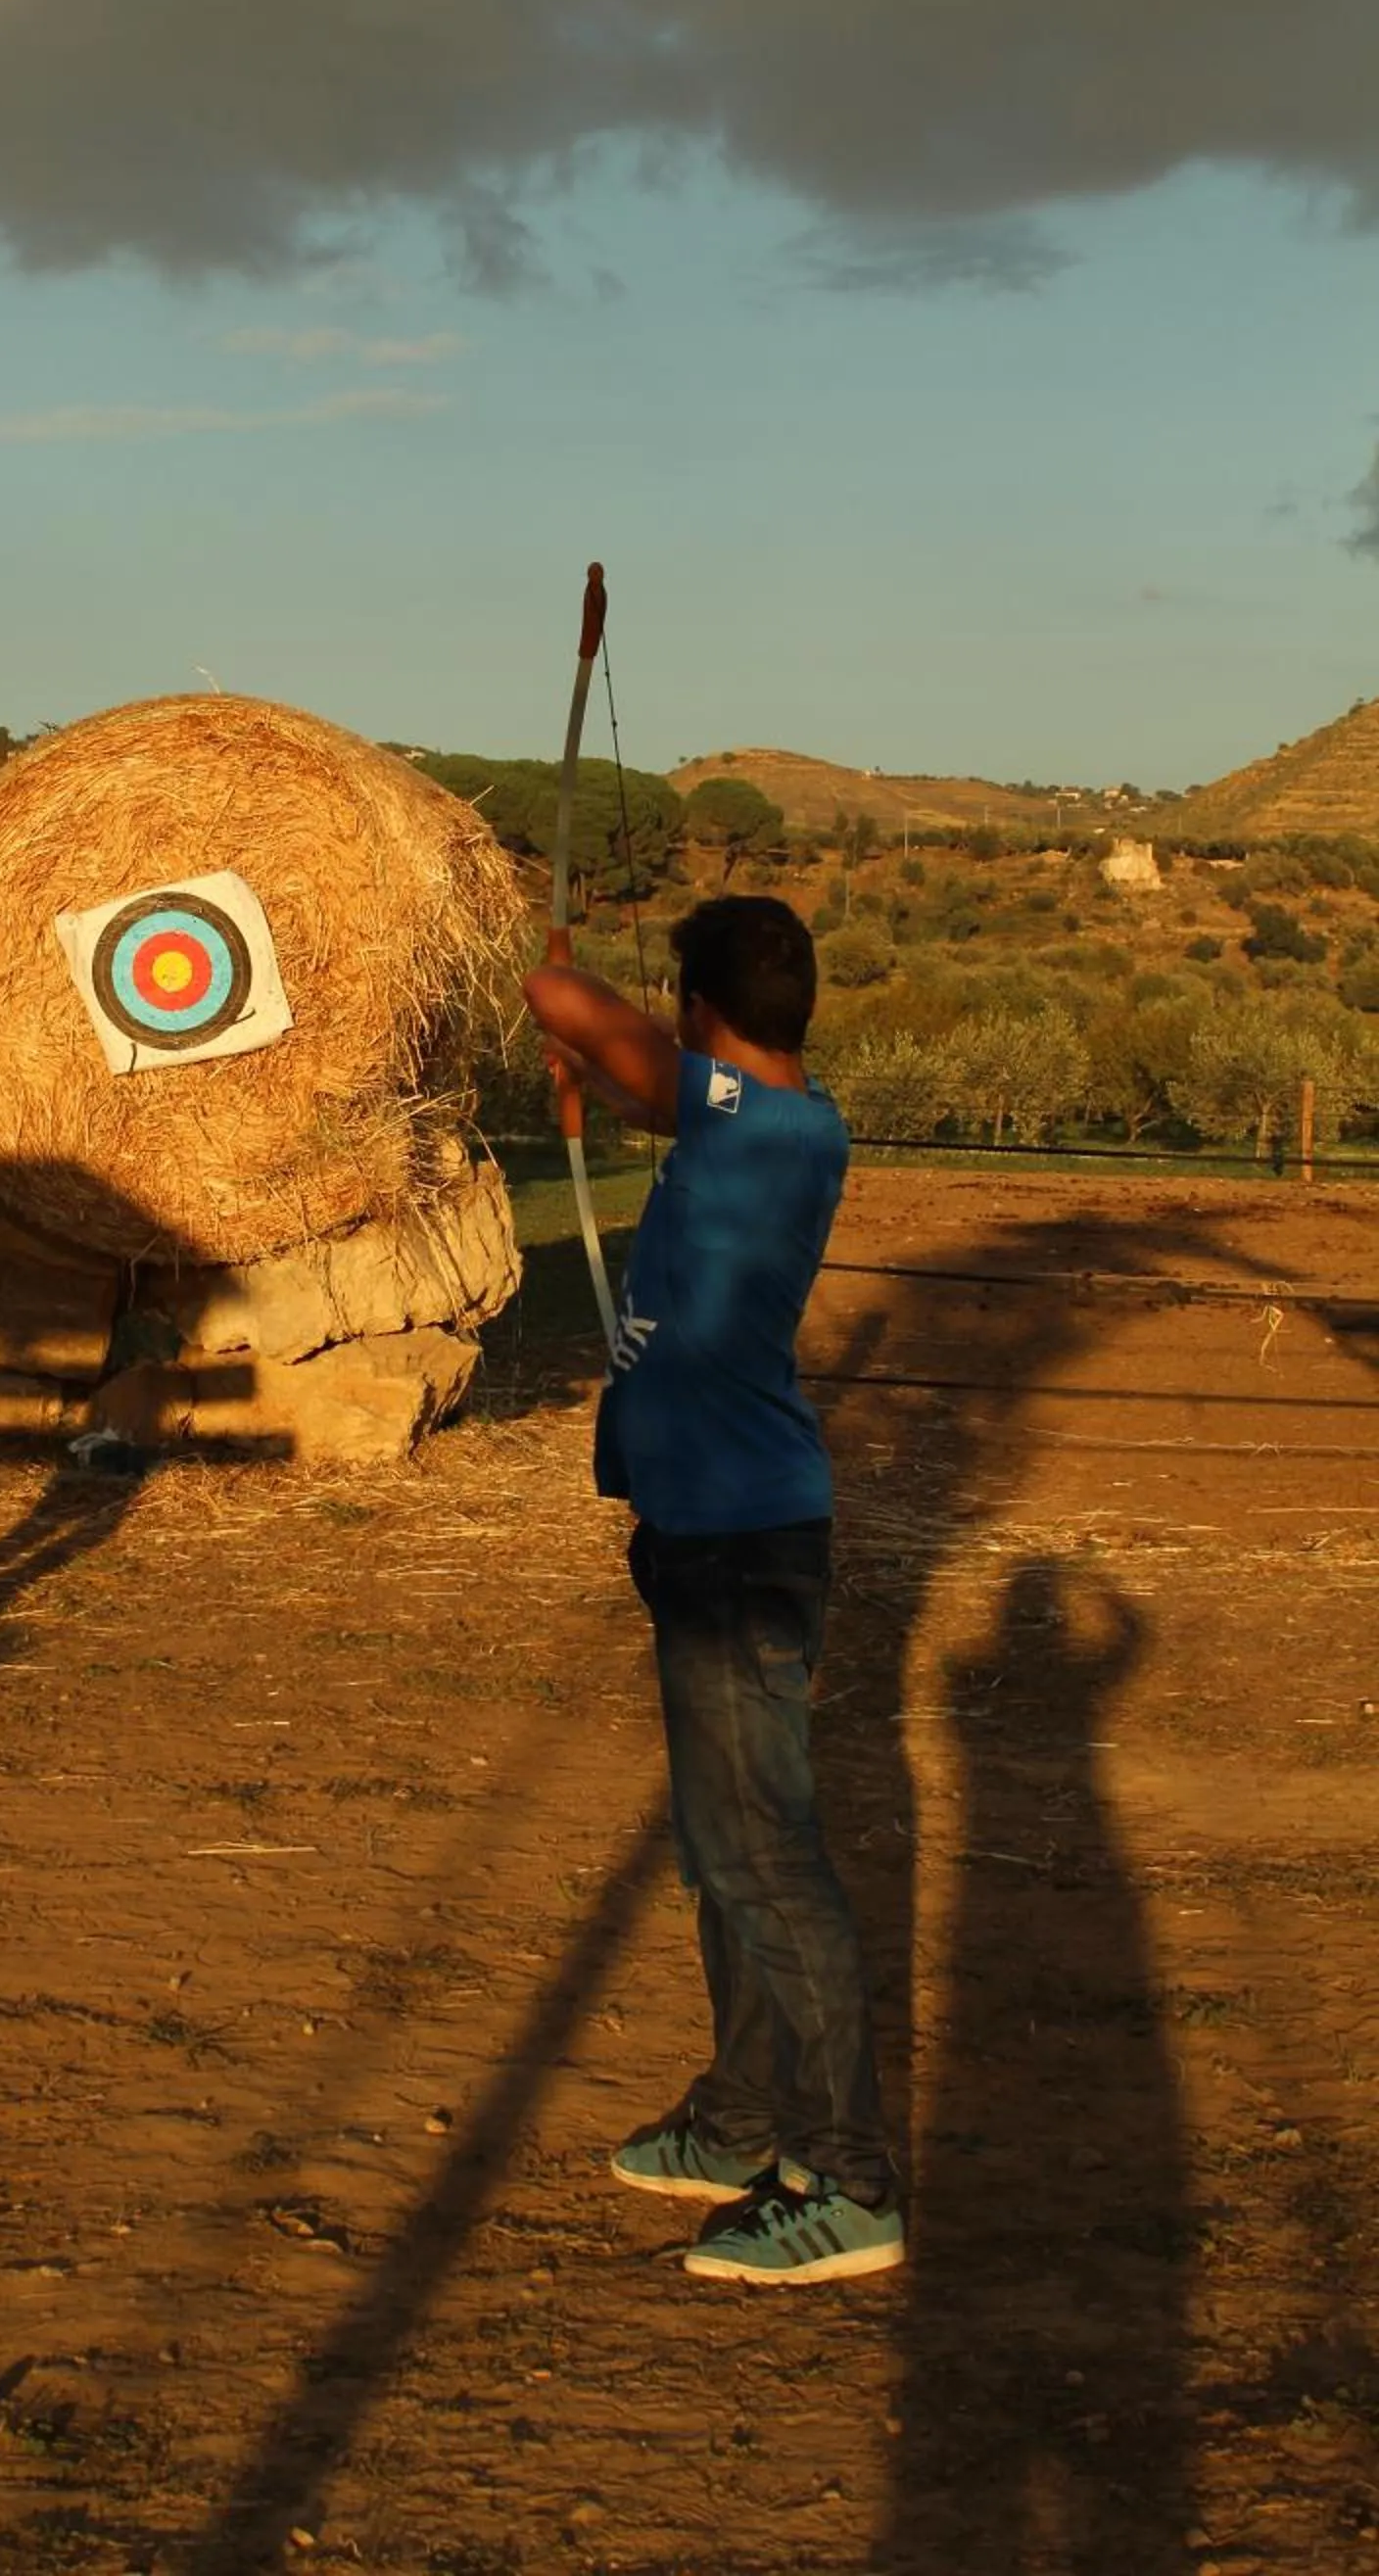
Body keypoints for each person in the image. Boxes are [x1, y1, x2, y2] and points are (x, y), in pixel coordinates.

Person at [522, 894, 903, 2286]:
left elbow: (562, 1002)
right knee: (722, 1852)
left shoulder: (766, 1125)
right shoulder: (767, 1121)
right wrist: (600, 1078)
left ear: (700, 1011)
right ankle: (744, 2120)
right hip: (706, 1529)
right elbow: (651, 1093)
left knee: (766, 1860)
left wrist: (567, 1006)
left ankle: (849, 2183)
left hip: (744, 1543)